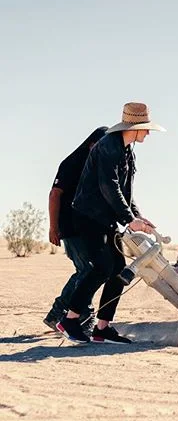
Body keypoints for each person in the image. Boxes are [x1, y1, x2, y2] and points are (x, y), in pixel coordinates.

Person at [56, 102, 164, 344]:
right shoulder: (108, 146)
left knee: (117, 270)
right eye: (145, 129)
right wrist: (128, 219)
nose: (147, 133)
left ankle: (102, 327)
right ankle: (69, 319)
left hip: (106, 218)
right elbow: (109, 186)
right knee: (102, 267)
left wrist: (137, 216)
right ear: (134, 127)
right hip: (88, 216)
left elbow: (126, 191)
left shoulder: (127, 150)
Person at [43, 126, 108, 331]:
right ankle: (65, 314)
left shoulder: (96, 167)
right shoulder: (72, 163)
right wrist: (54, 227)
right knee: (87, 269)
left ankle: (65, 314)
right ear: (91, 144)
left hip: (88, 227)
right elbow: (55, 194)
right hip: (70, 226)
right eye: (101, 146)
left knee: (89, 269)